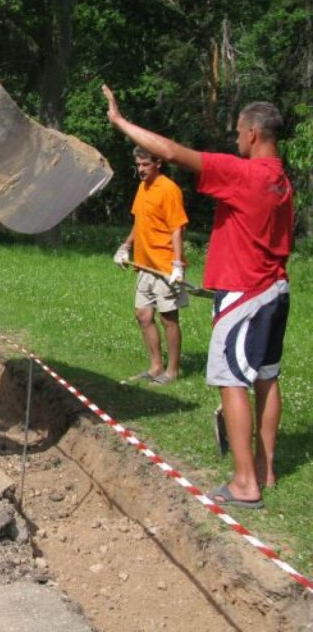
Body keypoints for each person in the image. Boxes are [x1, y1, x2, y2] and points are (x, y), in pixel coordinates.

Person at [103, 84, 293, 509]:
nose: (236, 139)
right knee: (266, 377)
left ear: (253, 135)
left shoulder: (245, 175)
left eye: (239, 132)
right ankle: (265, 467)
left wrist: (119, 122)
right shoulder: (282, 181)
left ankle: (245, 483)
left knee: (231, 382)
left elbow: (170, 152)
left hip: (245, 293)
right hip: (275, 289)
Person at [113, 146, 189, 385]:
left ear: (158, 163)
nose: (141, 170)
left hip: (164, 266)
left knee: (168, 318)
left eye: (145, 165)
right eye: (138, 165)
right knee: (143, 315)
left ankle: (172, 371)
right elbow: (140, 222)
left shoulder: (169, 189)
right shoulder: (142, 188)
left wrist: (177, 264)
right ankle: (156, 366)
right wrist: (125, 247)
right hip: (144, 265)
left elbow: (178, 227)